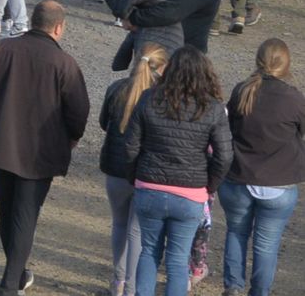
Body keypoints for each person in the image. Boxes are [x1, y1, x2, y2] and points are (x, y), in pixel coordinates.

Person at [0, 1, 90, 296]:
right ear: (58, 28)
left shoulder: (1, 51)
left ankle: (17, 274)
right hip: (41, 152)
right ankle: (9, 284)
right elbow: (79, 111)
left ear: (32, 21)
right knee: (25, 214)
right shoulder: (65, 64)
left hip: (2, 145)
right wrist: (72, 138)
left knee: (8, 212)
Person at [123, 45, 232, 296]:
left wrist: (136, 178)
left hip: (149, 187)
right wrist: (209, 186)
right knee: (178, 259)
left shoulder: (149, 98)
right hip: (190, 192)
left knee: (149, 251)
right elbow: (224, 156)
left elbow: (130, 147)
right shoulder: (213, 108)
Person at [219, 38, 305, 296]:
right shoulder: (294, 98)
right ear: (287, 64)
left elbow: (227, 127)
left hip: (238, 180)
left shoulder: (242, 90)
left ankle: (233, 286)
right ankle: (259, 292)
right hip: (278, 185)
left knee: (236, 232)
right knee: (266, 245)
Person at [100, 43, 169, 296]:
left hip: (115, 170)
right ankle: (130, 287)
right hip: (143, 173)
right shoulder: (160, 97)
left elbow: (103, 123)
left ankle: (117, 282)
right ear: (162, 67)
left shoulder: (116, 88)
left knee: (118, 224)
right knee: (137, 231)